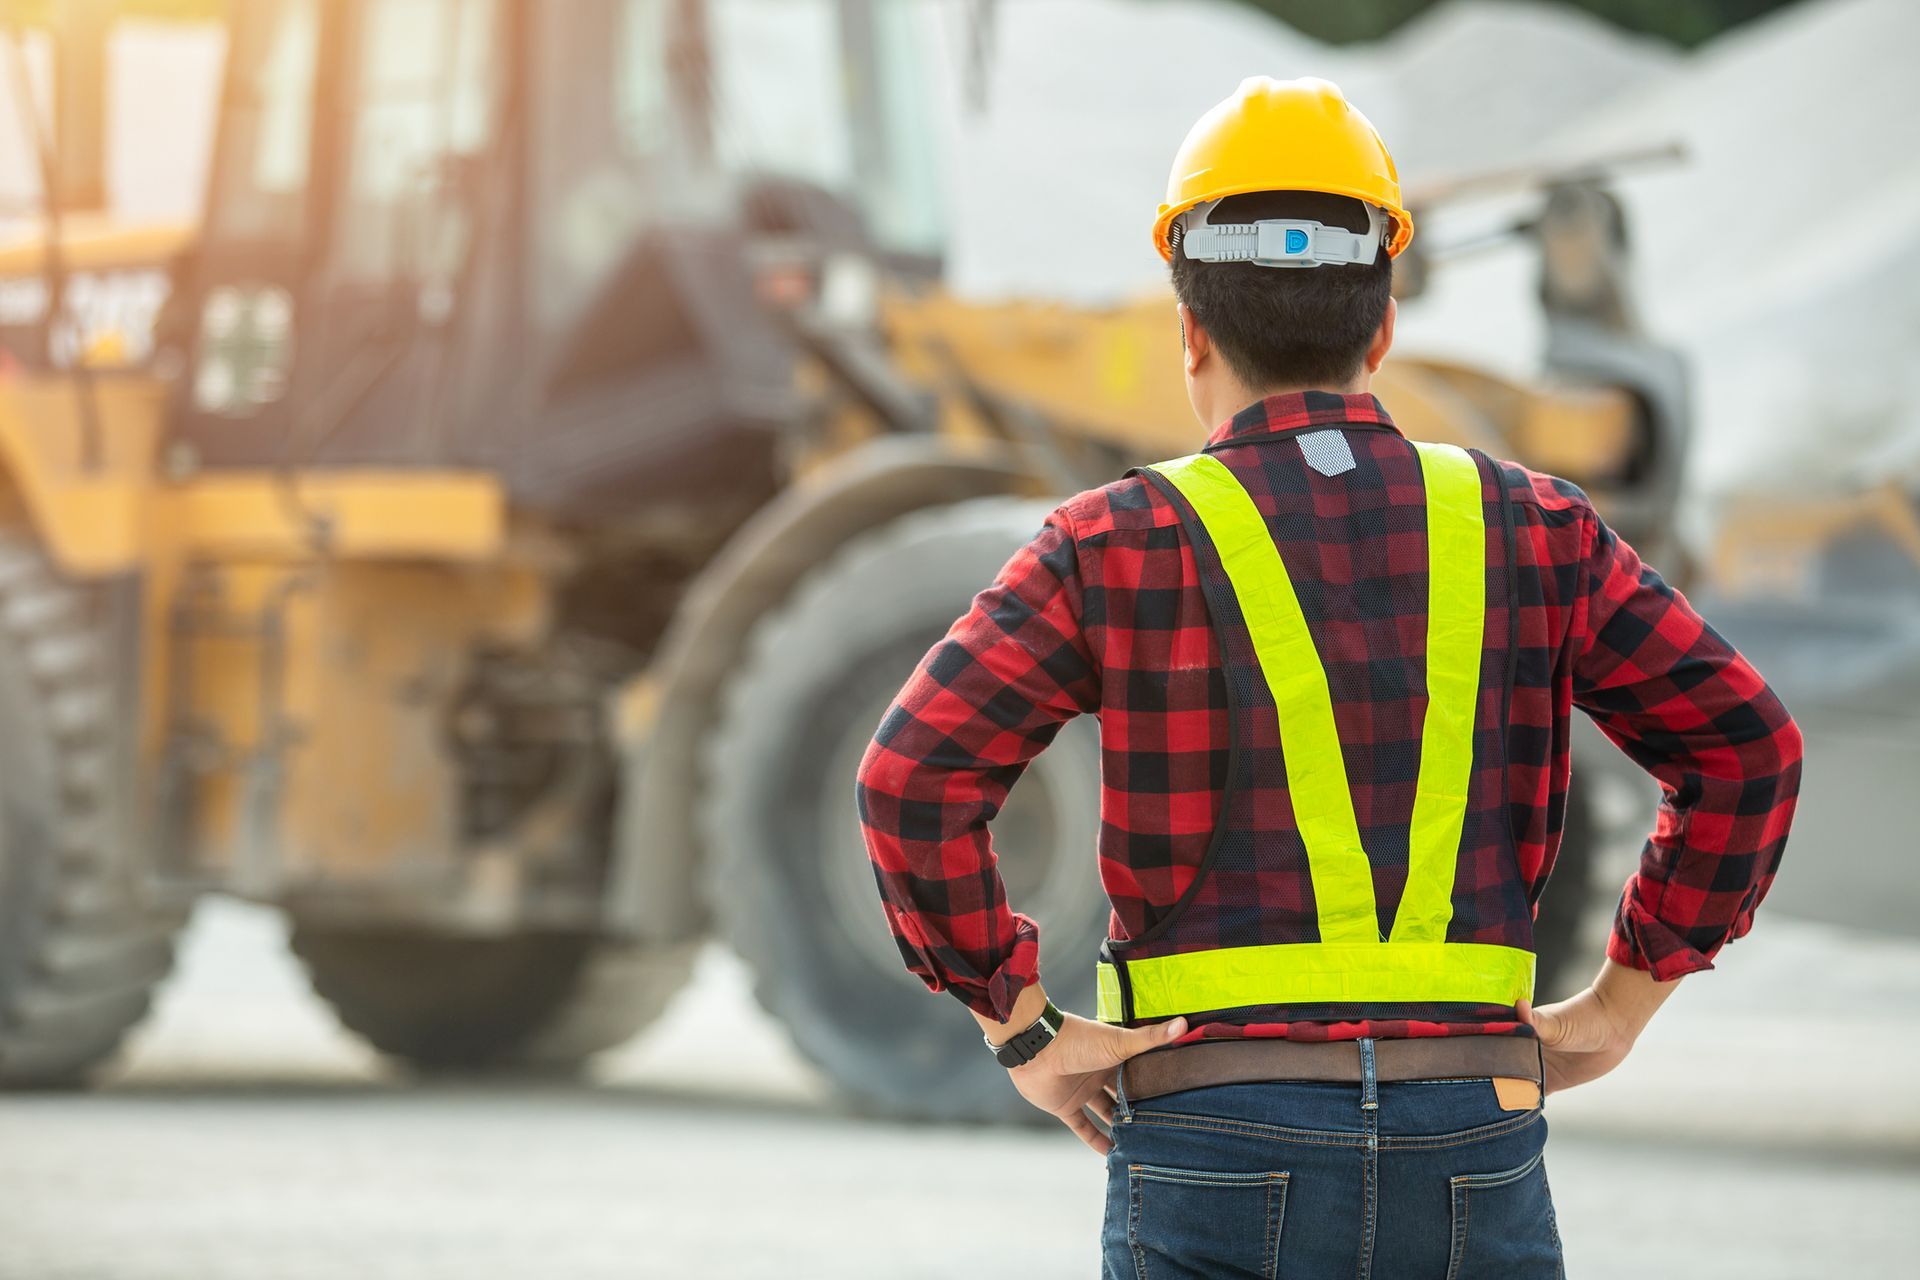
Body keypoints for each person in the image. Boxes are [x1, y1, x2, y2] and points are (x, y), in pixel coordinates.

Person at [855, 76, 1801, 1278]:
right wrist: (1622, 997)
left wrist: (1020, 1022)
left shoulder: (1112, 540)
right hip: (1471, 1132)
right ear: (1385, 322)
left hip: (1211, 1139)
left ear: (1189, 326)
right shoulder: (1532, 527)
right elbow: (1748, 744)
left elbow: (908, 777)